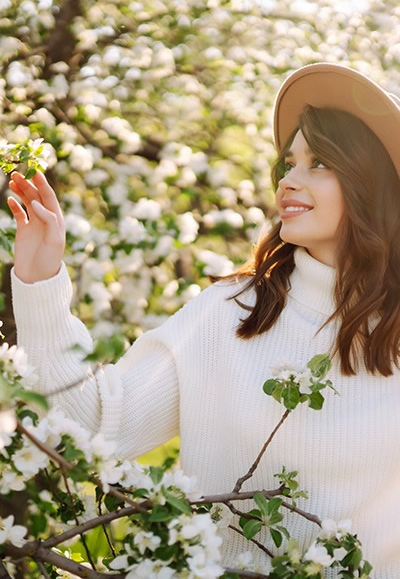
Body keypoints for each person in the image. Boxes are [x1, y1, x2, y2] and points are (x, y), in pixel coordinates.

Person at [7, 63, 400, 577]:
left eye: (318, 162)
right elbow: (99, 425)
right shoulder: (234, 313)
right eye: (289, 163)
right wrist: (41, 282)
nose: (289, 180)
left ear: (369, 184)